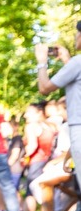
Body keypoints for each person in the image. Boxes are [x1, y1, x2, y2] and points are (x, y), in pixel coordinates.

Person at [36, 20, 81, 189]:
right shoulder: (75, 63)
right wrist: (66, 59)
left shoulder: (78, 62)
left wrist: (41, 62)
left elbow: (45, 88)